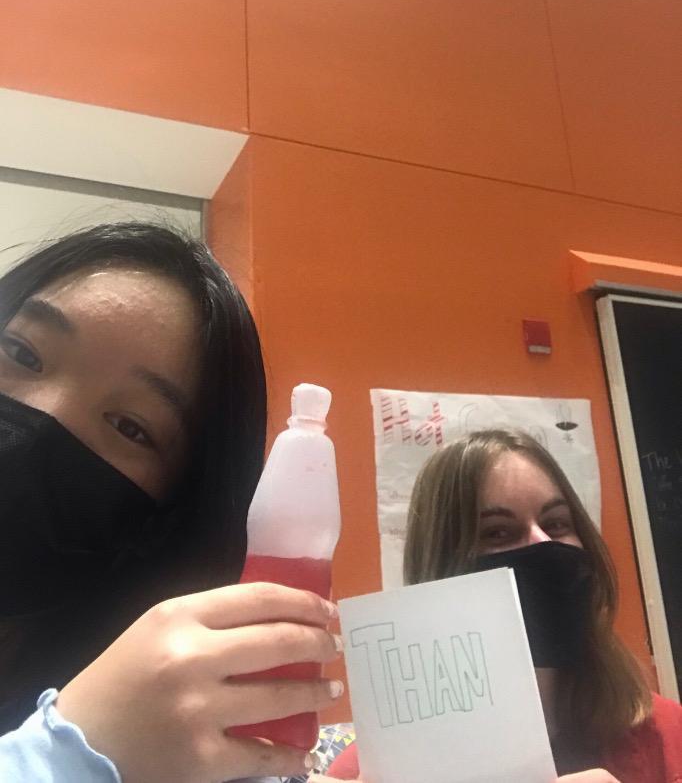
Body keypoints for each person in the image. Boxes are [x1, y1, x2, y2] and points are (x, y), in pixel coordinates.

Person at [0, 222, 344, 782]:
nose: (48, 416)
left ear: (166, 517)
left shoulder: (170, 736)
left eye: (130, 426)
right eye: (22, 352)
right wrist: (68, 758)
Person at [321, 429, 682, 783]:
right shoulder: (373, 775)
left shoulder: (666, 733)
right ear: (444, 564)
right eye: (497, 532)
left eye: (556, 523)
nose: (543, 542)